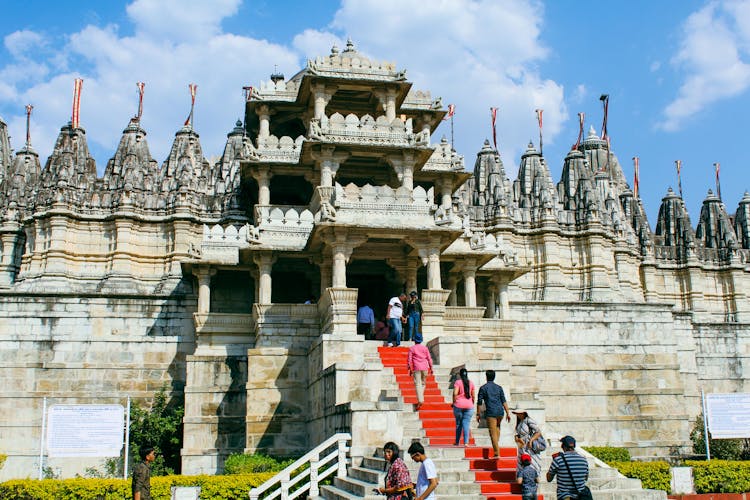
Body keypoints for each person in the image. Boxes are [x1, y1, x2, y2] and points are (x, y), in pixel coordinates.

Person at [476, 369, 511, 458]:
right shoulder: (499, 388)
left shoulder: (483, 388)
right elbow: (503, 400)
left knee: (492, 433)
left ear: (486, 377)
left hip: (491, 412)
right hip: (500, 412)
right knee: (497, 429)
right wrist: (508, 412)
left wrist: (478, 414)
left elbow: (479, 402)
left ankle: (496, 453)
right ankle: (497, 446)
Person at [547, 435, 589, 500]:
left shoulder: (558, 460)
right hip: (581, 496)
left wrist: (554, 462)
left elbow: (549, 479)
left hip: (565, 497)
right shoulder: (584, 460)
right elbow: (585, 478)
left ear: (563, 446)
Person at [513, 409, 544, 473]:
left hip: (529, 445)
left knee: (532, 462)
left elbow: (538, 432)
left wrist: (531, 440)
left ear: (523, 413)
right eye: (517, 413)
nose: (518, 415)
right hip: (522, 445)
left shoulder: (528, 420)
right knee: (522, 462)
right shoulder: (520, 422)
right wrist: (517, 437)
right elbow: (518, 433)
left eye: (519, 413)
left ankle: (534, 477)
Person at [407, 336, 433, 410]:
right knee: (423, 383)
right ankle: (420, 397)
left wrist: (409, 368)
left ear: (414, 341)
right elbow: (429, 358)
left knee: (418, 384)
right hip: (425, 367)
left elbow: (409, 360)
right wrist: (431, 367)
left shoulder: (412, 348)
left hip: (416, 367)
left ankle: (420, 400)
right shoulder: (425, 348)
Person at [452, 367, 475, 446]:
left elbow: (455, 393)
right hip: (469, 405)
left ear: (460, 375)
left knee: (458, 424)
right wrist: (472, 403)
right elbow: (473, 395)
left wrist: (453, 402)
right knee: (466, 423)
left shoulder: (458, 382)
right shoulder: (471, 383)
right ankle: (466, 442)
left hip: (459, 405)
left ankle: (457, 441)